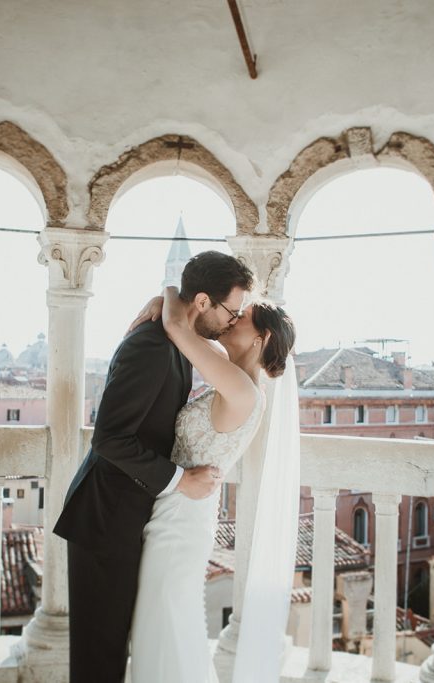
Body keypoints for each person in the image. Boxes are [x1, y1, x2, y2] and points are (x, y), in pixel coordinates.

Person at [53, 251, 254, 683]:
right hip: (105, 519)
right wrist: (182, 481)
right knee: (99, 656)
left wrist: (165, 301)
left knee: (124, 646)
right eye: (230, 312)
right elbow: (109, 439)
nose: (232, 322)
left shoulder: (178, 336)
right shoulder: (152, 344)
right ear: (202, 302)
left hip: (135, 516)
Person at [127, 287, 296, 682]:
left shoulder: (242, 389)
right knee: (167, 623)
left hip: (180, 522)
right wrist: (167, 306)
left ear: (262, 339)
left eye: (242, 318)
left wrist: (169, 295)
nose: (231, 319)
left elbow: (175, 325)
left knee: (164, 623)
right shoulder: (237, 377)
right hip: (178, 511)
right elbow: (189, 330)